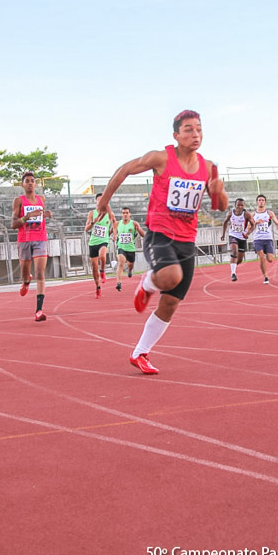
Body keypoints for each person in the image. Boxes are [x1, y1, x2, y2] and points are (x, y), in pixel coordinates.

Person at [95, 109, 227, 374]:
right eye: (189, 129)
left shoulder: (208, 167)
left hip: (186, 239)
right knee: (170, 276)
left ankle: (140, 353)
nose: (195, 134)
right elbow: (125, 170)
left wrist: (218, 191)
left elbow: (219, 207)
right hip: (159, 233)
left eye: (199, 128)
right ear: (176, 135)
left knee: (171, 303)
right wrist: (104, 201)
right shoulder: (161, 158)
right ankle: (147, 282)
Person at [13, 171, 53, 320]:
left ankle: (39, 311)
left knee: (40, 273)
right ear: (23, 185)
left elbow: (41, 215)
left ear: (36, 184)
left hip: (40, 239)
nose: (30, 183)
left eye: (32, 181)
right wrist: (27, 216)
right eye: (27, 181)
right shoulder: (19, 201)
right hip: (24, 240)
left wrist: (46, 214)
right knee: (25, 273)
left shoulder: (41, 199)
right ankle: (26, 281)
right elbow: (13, 224)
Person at [250, 194, 278, 285]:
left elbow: (277, 223)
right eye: (259, 200)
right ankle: (266, 276)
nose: (261, 201)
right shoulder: (253, 215)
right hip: (258, 239)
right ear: (257, 202)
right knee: (261, 257)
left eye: (262, 200)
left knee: (270, 259)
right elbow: (248, 227)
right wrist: (256, 223)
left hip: (268, 239)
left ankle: (267, 254)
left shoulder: (269, 213)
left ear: (265, 202)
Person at [85, 193, 116, 298]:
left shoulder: (109, 213)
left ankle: (102, 271)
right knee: (94, 267)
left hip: (103, 240)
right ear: (96, 202)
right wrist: (94, 222)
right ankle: (97, 287)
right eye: (98, 200)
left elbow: (115, 224)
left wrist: (113, 233)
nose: (100, 203)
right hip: (93, 242)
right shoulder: (91, 213)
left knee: (102, 256)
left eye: (103, 200)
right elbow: (86, 229)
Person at [221, 198, 254, 281]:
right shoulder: (230, 213)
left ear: (244, 206)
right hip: (233, 235)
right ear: (235, 205)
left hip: (242, 237)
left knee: (239, 259)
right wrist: (223, 234)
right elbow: (225, 222)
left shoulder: (246, 214)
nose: (240, 207)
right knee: (234, 252)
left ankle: (234, 265)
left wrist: (248, 233)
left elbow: (253, 225)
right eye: (238, 205)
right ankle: (233, 274)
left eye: (242, 205)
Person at [113, 207, 146, 291]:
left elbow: (143, 235)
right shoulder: (117, 224)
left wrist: (138, 228)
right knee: (121, 263)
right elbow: (112, 231)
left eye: (126, 213)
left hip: (131, 249)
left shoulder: (134, 223)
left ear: (129, 214)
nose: (125, 214)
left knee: (130, 265)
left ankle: (130, 270)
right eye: (123, 213)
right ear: (121, 214)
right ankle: (119, 283)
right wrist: (113, 235)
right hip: (121, 247)